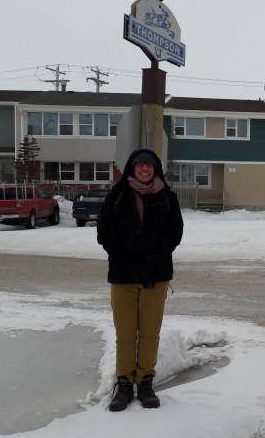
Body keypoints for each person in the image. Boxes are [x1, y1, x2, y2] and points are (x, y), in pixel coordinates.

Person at [97, 148, 183, 412]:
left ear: (156, 169)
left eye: (149, 165)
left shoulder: (167, 197)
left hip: (155, 277)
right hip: (123, 276)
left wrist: (149, 265)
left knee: (149, 333)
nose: (145, 169)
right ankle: (124, 384)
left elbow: (173, 234)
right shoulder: (117, 196)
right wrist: (132, 265)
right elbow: (105, 235)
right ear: (131, 168)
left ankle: (145, 382)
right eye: (139, 165)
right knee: (125, 333)